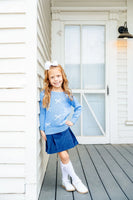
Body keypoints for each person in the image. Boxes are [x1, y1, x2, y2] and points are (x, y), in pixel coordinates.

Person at [39, 61, 88, 194]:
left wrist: (72, 120)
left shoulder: (67, 94)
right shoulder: (45, 93)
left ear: (63, 76)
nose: (56, 79)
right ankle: (76, 180)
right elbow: (42, 112)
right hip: (51, 131)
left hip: (63, 129)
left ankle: (65, 181)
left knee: (64, 156)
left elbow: (78, 107)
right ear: (48, 79)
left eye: (58, 76)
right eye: (52, 77)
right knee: (64, 156)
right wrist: (42, 129)